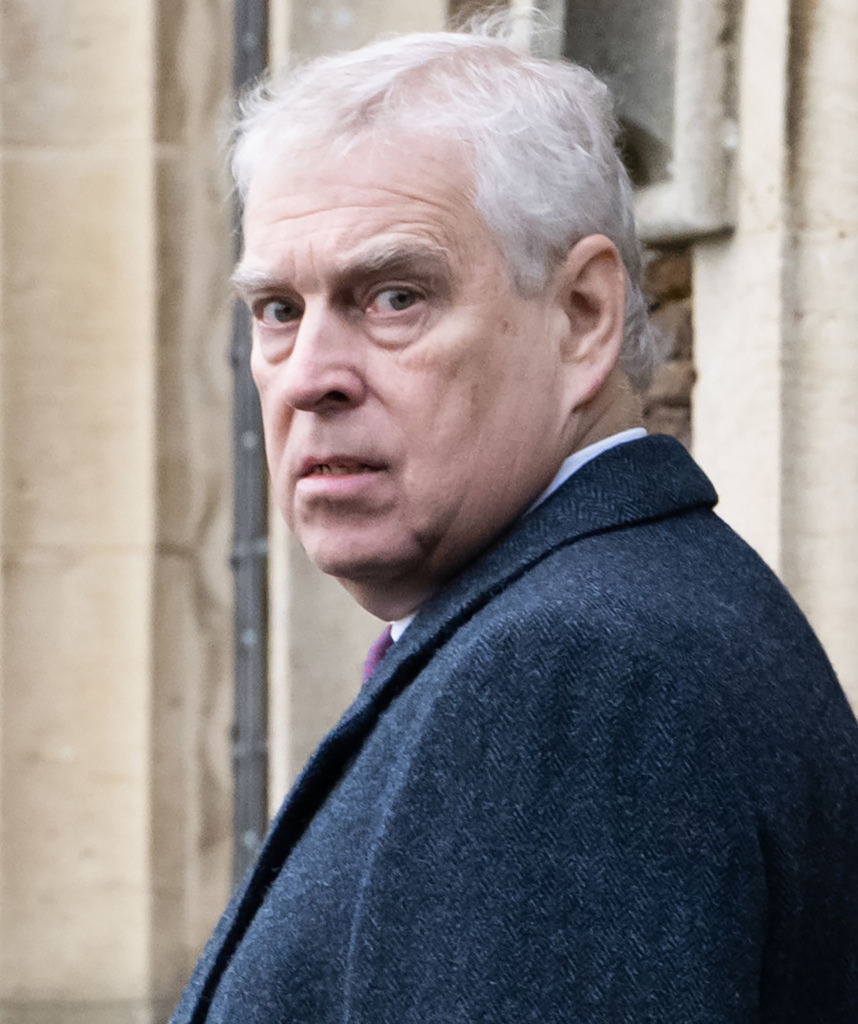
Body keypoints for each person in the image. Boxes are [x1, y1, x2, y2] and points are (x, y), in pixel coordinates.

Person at [172, 19, 858, 1023]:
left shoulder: (577, 679)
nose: (309, 377)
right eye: (278, 309)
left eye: (393, 296)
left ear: (583, 314)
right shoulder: (591, 622)